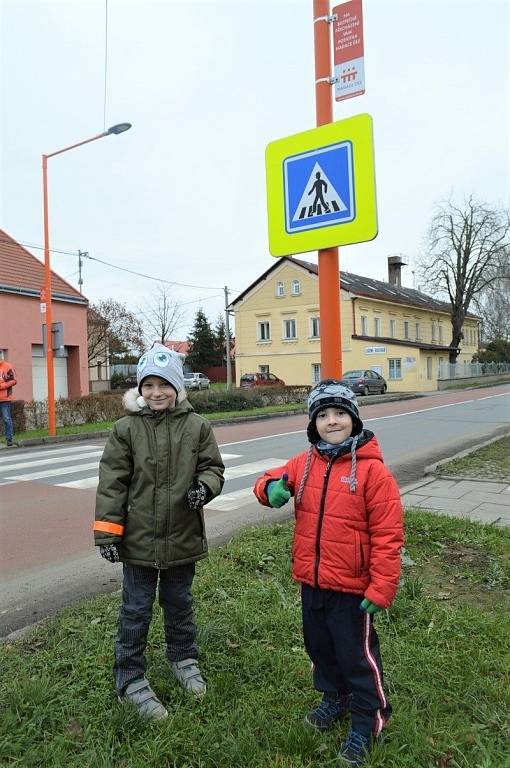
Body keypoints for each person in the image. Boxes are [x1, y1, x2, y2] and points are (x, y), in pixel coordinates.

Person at [253, 380, 403, 767]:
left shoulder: (373, 473)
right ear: (312, 423)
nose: (332, 421)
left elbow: (388, 534)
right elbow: (266, 480)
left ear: (353, 418)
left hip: (354, 587)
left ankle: (368, 719)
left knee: (356, 655)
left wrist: (382, 584)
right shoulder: (304, 464)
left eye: (339, 413)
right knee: (320, 647)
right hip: (312, 581)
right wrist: (269, 489)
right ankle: (334, 697)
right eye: (323, 414)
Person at [94, 343, 224, 721]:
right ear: (139, 389)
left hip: (182, 536)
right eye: (148, 385)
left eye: (164, 384)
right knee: (135, 610)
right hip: (137, 541)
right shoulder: (125, 429)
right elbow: (112, 484)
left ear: (177, 387)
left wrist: (205, 486)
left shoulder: (197, 426)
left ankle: (183, 658)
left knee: (179, 603)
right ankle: (130, 678)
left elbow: (212, 469)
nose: (156, 393)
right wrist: (108, 532)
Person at [0, 350, 17, 447]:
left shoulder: (8, 366)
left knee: (7, 419)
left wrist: (2, 386)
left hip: (5, 399)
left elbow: (14, 380)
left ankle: (9, 439)